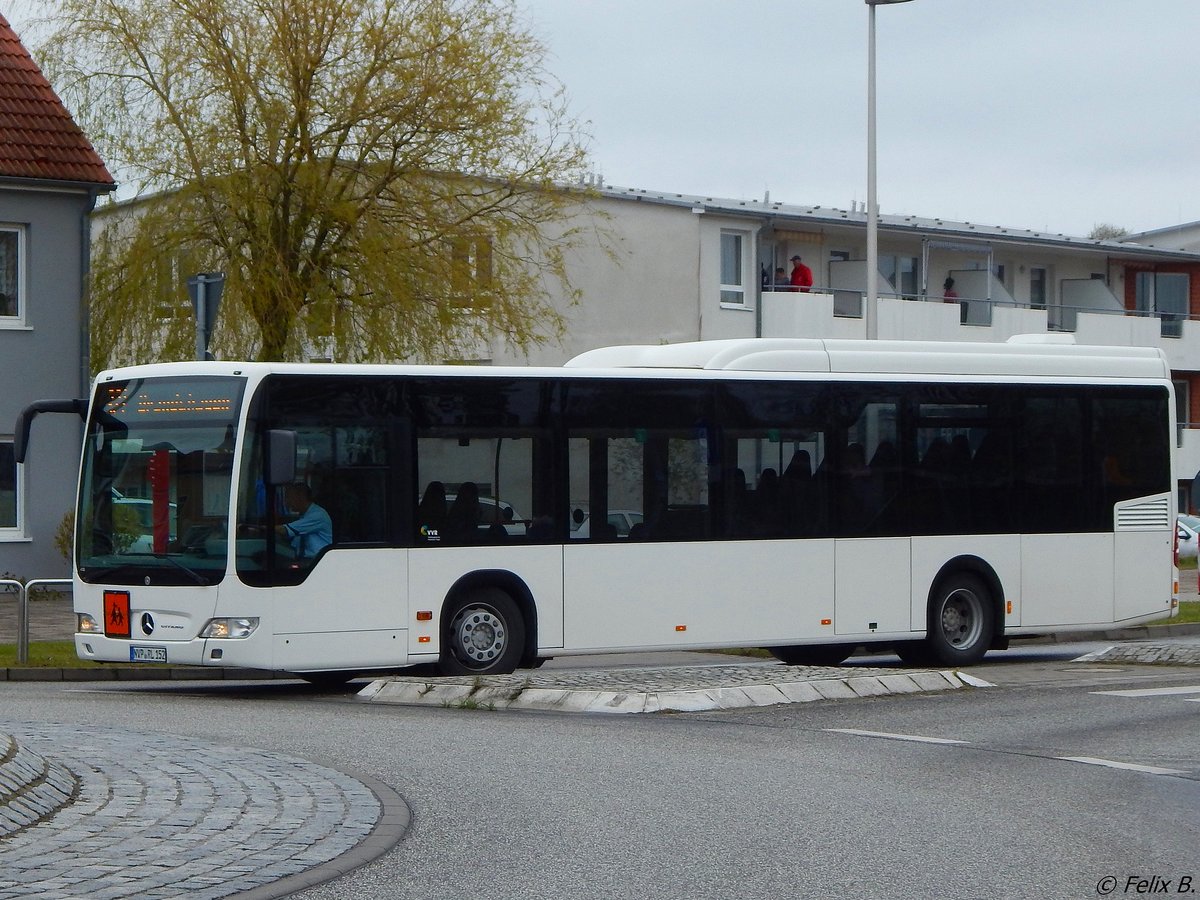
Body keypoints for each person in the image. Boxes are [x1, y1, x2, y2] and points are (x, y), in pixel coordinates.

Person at [276, 482, 332, 559]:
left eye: (289, 497)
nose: (286, 502)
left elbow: (285, 530)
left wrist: (262, 529)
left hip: (317, 560)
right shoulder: (304, 515)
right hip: (305, 558)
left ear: (301, 496)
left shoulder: (317, 515)